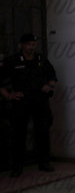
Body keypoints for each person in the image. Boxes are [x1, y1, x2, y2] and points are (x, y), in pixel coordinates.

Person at [0, 34, 57, 177]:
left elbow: (53, 77)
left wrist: (49, 86)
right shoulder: (12, 61)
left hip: (40, 101)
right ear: (21, 45)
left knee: (42, 132)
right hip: (21, 102)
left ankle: (44, 163)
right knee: (19, 134)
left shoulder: (40, 59)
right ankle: (17, 167)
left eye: (33, 44)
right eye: (28, 44)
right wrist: (8, 95)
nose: (31, 47)